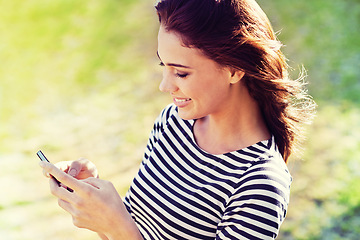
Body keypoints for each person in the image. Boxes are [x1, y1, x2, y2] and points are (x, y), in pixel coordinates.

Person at [39, 0, 315, 239]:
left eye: (181, 73)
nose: (164, 86)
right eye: (164, 66)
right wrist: (98, 207)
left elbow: (127, 234)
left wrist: (118, 224)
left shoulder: (260, 182)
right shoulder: (173, 123)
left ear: (234, 70)